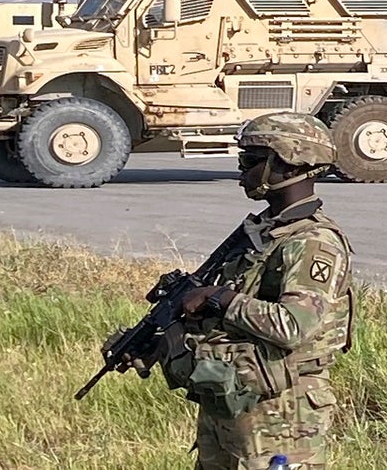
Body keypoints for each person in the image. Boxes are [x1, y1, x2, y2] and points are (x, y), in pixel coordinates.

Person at [114, 112, 353, 469]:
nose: (242, 169)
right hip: (234, 400)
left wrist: (218, 298)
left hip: (282, 415)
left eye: (252, 160)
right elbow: (228, 322)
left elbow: (293, 327)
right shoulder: (263, 232)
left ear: (290, 163)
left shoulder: (312, 242)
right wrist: (162, 343)